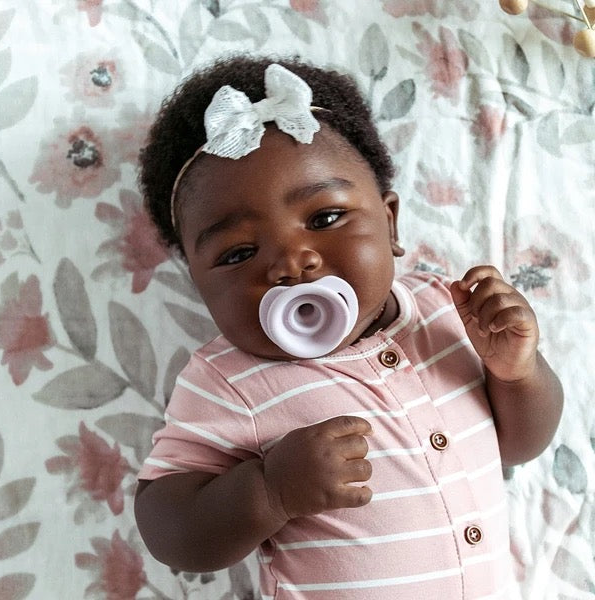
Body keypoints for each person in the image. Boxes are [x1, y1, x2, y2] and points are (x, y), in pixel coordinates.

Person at [134, 56, 563, 599]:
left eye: (325, 218)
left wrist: (517, 374)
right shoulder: (228, 380)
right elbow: (170, 529)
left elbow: (518, 447)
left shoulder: (448, 310)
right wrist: (270, 490)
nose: (292, 263)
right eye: (239, 252)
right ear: (199, 285)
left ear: (390, 223)